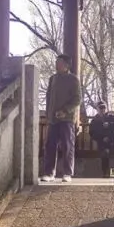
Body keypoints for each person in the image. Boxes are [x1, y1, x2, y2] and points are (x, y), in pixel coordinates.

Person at [40, 54, 81, 183]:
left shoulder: (73, 79)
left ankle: (67, 173)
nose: (56, 65)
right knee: (50, 145)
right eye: (56, 62)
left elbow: (77, 99)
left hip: (67, 118)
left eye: (59, 62)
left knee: (67, 145)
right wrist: (48, 115)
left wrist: (65, 110)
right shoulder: (52, 79)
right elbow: (48, 98)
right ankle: (49, 173)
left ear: (66, 65)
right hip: (53, 119)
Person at [89, 102, 114, 177]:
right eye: (100, 108)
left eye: (104, 107)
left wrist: (110, 125)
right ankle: (106, 173)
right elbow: (92, 133)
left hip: (113, 143)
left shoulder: (111, 117)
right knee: (105, 154)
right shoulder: (95, 120)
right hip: (102, 143)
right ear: (97, 109)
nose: (102, 109)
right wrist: (101, 138)